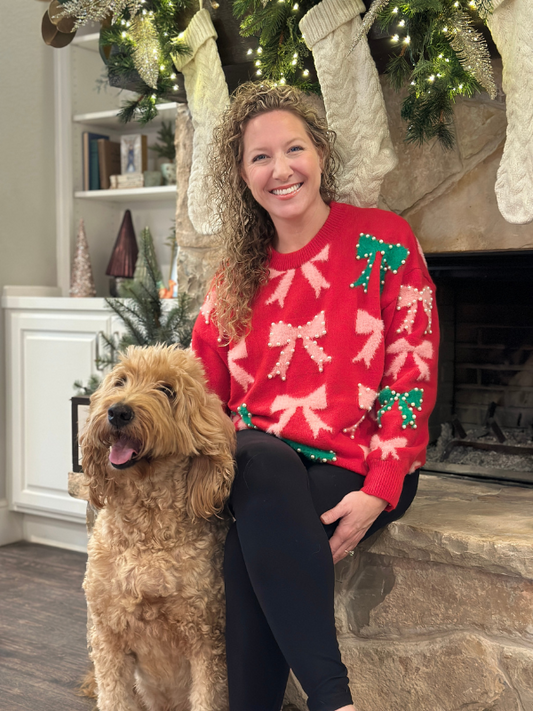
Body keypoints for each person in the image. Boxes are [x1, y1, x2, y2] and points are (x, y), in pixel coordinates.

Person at [191, 81, 439, 711]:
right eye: (260, 157)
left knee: (250, 554)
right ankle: (337, 704)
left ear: (320, 154)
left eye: (293, 148)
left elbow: (411, 374)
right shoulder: (233, 278)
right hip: (261, 462)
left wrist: (379, 488)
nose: (281, 169)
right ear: (242, 176)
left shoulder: (383, 241)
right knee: (258, 460)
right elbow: (203, 396)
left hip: (360, 462)